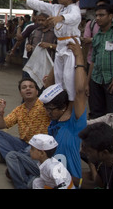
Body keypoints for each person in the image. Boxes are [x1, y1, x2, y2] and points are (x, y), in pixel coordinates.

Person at [16, 0, 85, 102]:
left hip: (71, 46)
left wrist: (61, 18)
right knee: (59, 77)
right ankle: (61, 102)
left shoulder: (74, 8)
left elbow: (75, 17)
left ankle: (70, 105)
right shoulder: (56, 8)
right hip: (60, 46)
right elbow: (41, 5)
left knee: (69, 78)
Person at [41, 37, 88, 187]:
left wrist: (79, 57)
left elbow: (80, 91)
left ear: (62, 107)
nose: (48, 113)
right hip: (52, 178)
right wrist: (59, 58)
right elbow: (48, 87)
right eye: (46, 109)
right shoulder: (54, 121)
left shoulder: (75, 123)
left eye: (51, 109)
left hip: (70, 183)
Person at [0, 78, 50, 160]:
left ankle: (12, 158)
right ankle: (16, 158)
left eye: (31, 87)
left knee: (30, 150)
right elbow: (1, 126)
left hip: (39, 145)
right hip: (24, 144)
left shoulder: (44, 105)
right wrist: (0, 112)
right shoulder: (19, 110)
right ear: (20, 93)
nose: (28, 89)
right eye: (24, 87)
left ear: (37, 91)